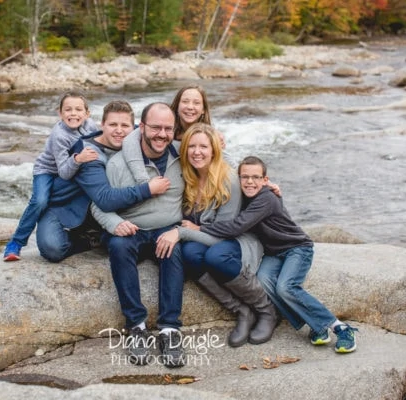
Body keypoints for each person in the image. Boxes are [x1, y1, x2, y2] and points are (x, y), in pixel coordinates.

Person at [189, 155, 359, 353]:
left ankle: (340, 327)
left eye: (255, 177)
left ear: (265, 180)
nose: (250, 182)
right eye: (245, 177)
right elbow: (221, 161)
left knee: (285, 288)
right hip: (273, 252)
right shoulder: (243, 195)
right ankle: (316, 327)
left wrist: (198, 228)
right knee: (262, 281)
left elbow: (237, 226)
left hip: (296, 248)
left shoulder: (267, 198)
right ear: (238, 178)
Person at [155, 123, 277, 348]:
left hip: (236, 239)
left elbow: (224, 234)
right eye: (191, 146)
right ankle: (241, 311)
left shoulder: (228, 180)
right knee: (190, 253)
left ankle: (265, 309)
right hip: (203, 237)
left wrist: (180, 232)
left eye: (203, 146)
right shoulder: (188, 175)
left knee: (216, 257)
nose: (197, 151)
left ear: (214, 150)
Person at [91, 103, 186, 368]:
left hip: (167, 229)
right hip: (131, 230)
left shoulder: (181, 157)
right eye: (155, 127)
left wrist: (261, 184)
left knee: (175, 249)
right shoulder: (118, 163)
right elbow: (98, 205)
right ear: (141, 127)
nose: (162, 134)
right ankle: (136, 326)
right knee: (119, 247)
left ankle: (170, 330)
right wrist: (114, 224)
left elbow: (215, 165)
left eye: (168, 129)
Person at [34, 100, 170, 262]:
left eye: (124, 126)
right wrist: (147, 189)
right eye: (113, 125)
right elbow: (104, 199)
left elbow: (161, 136)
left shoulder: (137, 137)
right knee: (52, 248)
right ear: (102, 125)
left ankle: (96, 234)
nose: (119, 131)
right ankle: (88, 240)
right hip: (66, 207)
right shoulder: (89, 153)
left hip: (97, 210)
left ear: (133, 128)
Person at [3, 91, 100, 261]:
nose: (73, 114)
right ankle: (15, 243)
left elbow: (101, 139)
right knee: (40, 200)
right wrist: (78, 159)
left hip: (72, 168)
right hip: (48, 171)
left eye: (78, 109)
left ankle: (87, 232)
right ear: (60, 113)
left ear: (87, 113)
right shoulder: (59, 135)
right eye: (68, 110)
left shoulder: (90, 125)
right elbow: (64, 172)